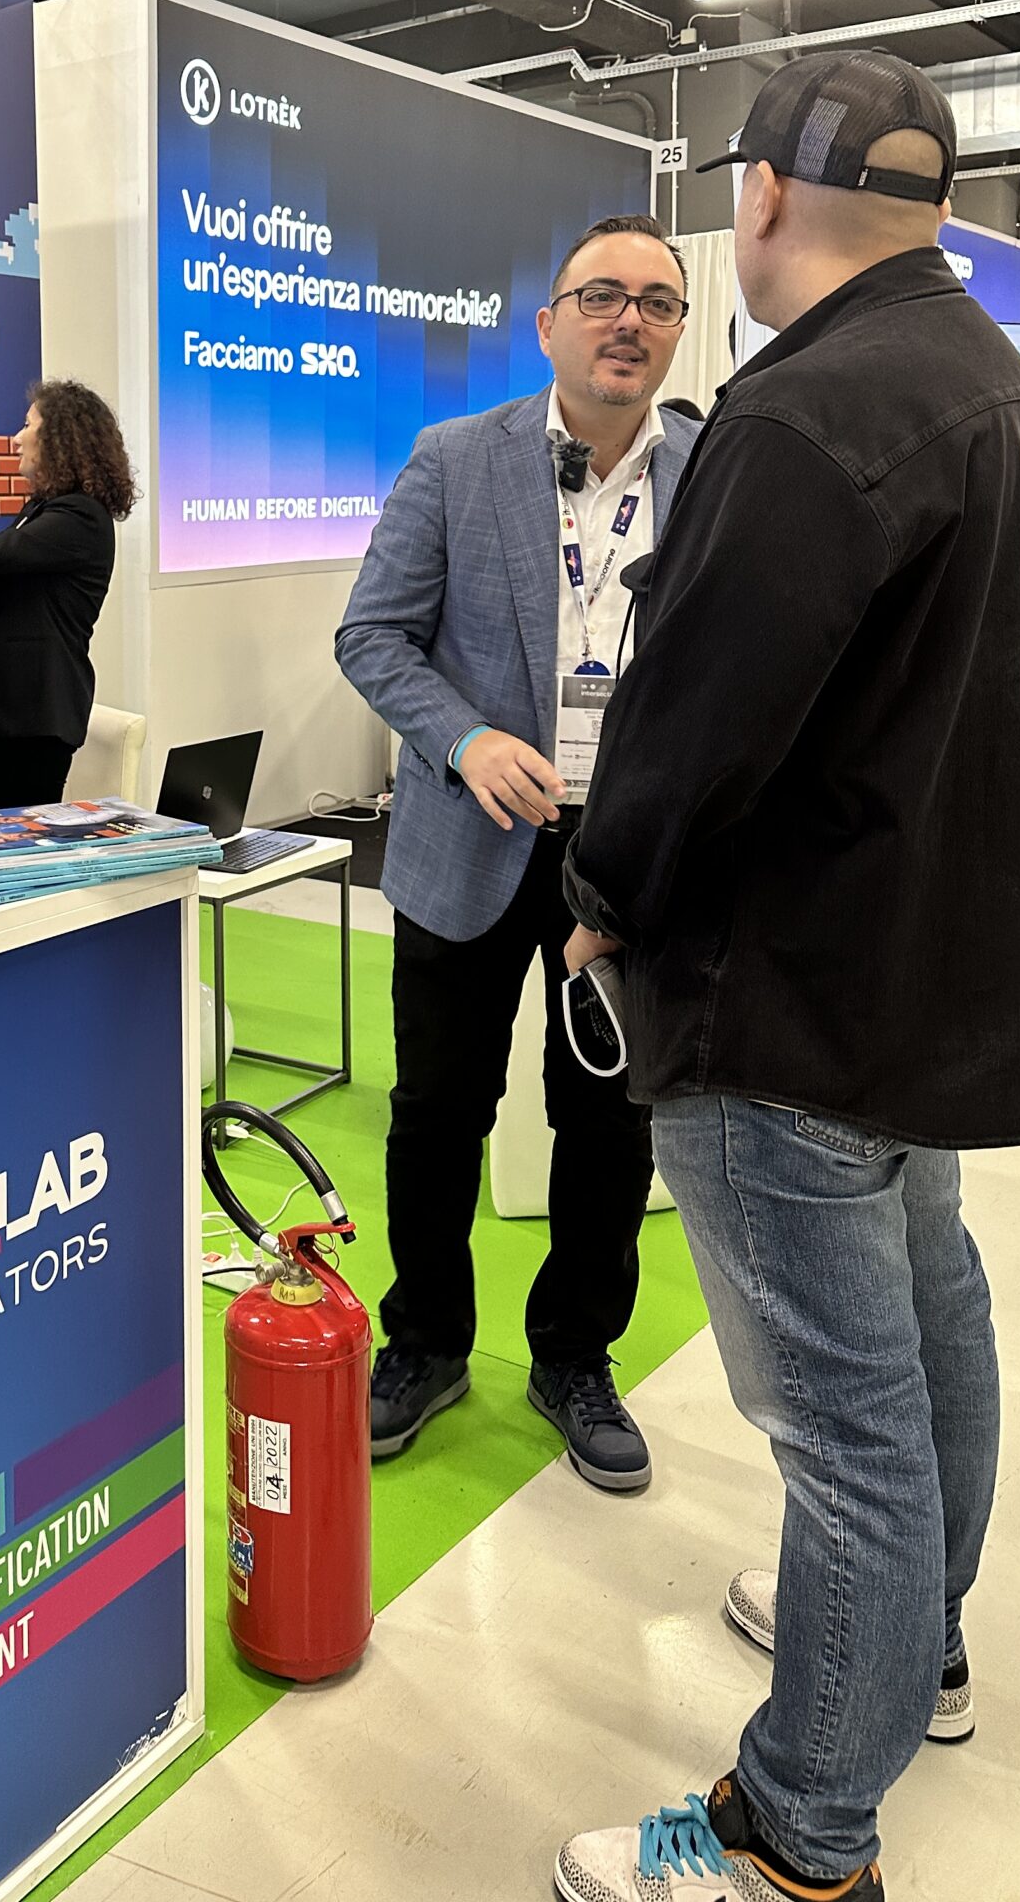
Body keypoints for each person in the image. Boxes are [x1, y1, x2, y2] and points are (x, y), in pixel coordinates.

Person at [555, 52, 1020, 1902]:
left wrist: (602, 894)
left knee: (846, 1432)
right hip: (922, 980)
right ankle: (914, 1648)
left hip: (781, 1000)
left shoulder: (799, 415)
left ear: (760, 198)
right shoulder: (1003, 398)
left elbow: (697, 728)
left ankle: (797, 1836)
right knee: (932, 1337)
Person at [334, 214, 700, 1489]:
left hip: (634, 858)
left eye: (657, 301)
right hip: (472, 833)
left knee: (610, 1118)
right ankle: (426, 1341)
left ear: (677, 330)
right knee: (440, 1108)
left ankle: (575, 1356)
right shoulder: (454, 458)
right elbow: (372, 637)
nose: (629, 319)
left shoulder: (714, 473)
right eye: (602, 295)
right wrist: (466, 737)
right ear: (548, 324)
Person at [0, 379, 137, 808]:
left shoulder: (80, 517)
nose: (16, 437)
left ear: (60, 438)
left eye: (28, 424)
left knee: (25, 838)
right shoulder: (43, 510)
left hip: (36, 717)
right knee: (4, 830)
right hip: (4, 710)